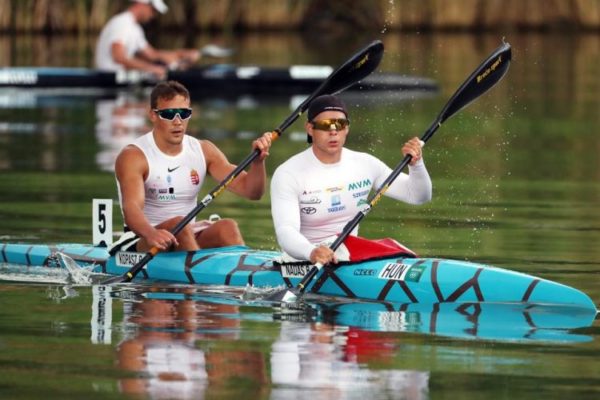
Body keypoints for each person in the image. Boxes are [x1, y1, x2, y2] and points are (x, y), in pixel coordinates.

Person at [270, 94, 432, 265]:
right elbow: (285, 231)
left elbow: (418, 196)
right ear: (310, 129)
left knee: (395, 247)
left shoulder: (365, 164)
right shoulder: (288, 173)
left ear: (347, 128)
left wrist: (417, 165)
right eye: (325, 125)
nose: (333, 131)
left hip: (348, 256)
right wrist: (311, 252)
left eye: (340, 124)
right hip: (304, 259)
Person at [114, 80, 272, 252]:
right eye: (169, 114)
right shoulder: (134, 156)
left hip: (186, 234)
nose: (178, 121)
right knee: (177, 224)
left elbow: (252, 192)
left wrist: (258, 162)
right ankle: (197, 271)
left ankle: (243, 275)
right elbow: (131, 208)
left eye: (183, 113)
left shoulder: (203, 150)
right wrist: (151, 233)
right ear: (153, 115)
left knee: (227, 226)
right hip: (143, 239)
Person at [95, 0, 200, 80]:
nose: (153, 15)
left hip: (125, 77)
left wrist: (182, 55)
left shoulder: (135, 28)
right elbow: (118, 57)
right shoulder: (122, 23)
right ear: (142, 4)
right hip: (109, 77)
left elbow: (152, 55)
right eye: (153, 10)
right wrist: (151, 69)